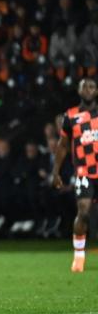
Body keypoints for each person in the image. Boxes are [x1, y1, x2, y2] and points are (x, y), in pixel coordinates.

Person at [51, 76, 97, 273]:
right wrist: (56, 171)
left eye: (92, 86)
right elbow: (62, 146)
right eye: (84, 86)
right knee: (83, 212)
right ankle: (79, 257)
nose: (88, 89)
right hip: (85, 172)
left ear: (96, 91)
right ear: (79, 91)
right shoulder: (70, 116)